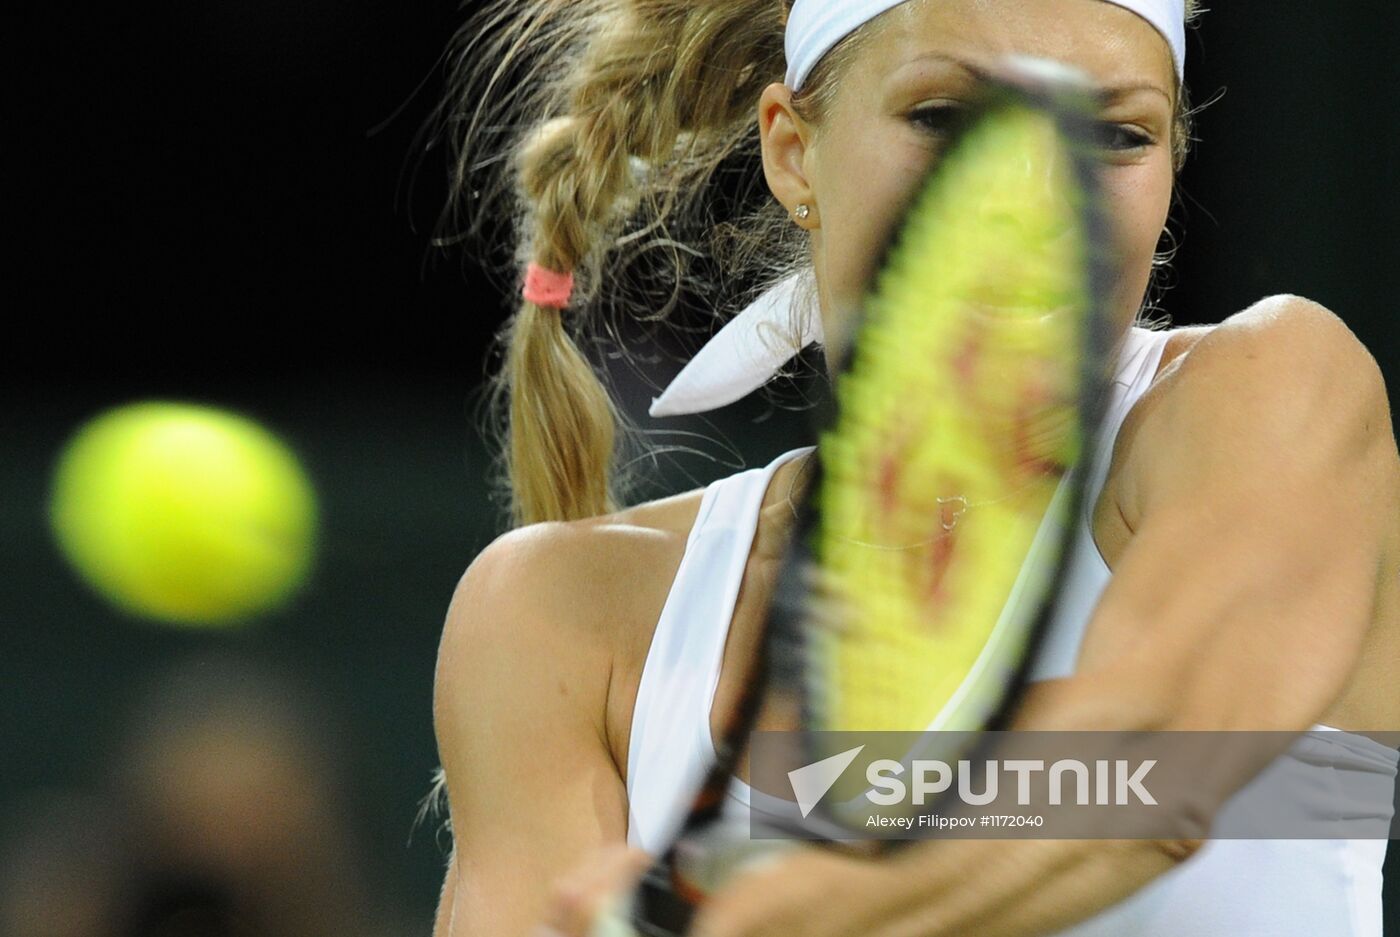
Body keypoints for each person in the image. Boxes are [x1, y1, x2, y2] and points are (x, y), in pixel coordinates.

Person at [428, 1, 1400, 935]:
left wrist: (776, 899)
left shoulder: (1274, 394)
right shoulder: (559, 619)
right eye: (945, 116)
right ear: (792, 151)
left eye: (1116, 136)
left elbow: (1160, 769)